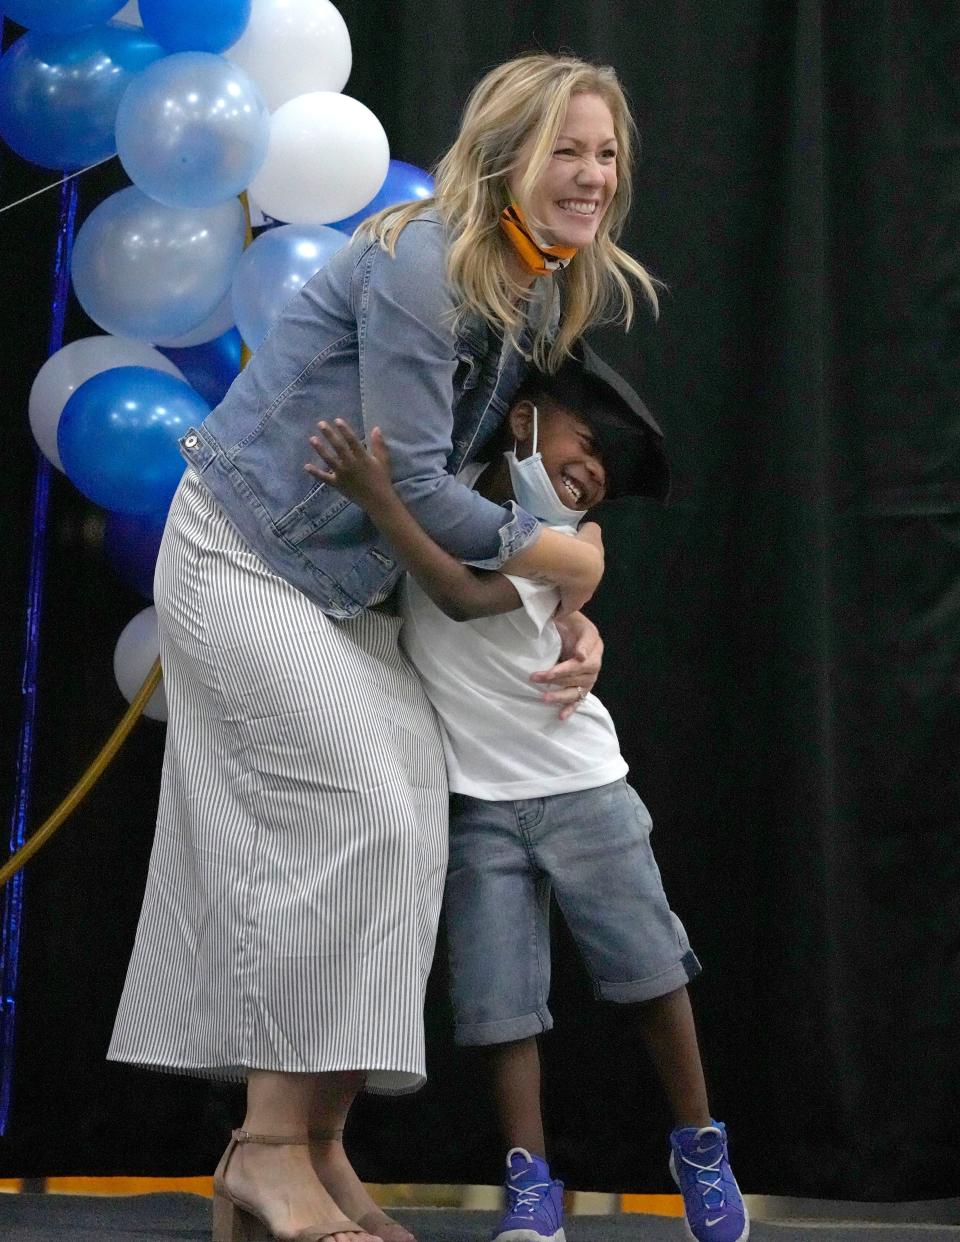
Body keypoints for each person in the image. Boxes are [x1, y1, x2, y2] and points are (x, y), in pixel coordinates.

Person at [108, 51, 660, 1242]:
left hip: (342, 585)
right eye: (567, 148)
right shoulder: (424, 263)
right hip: (243, 554)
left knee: (411, 815)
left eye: (606, 152)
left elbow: (477, 481)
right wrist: (552, 557)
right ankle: (263, 1149)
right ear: (508, 153)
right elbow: (413, 479)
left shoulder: (538, 283)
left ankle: (313, 1144)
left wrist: (563, 597)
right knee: (353, 800)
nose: (591, 174)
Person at [304, 352, 748, 1242]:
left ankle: (699, 1144)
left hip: (582, 786)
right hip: (474, 800)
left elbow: (462, 598)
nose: (590, 477)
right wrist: (392, 493)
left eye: (604, 480)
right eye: (585, 448)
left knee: (650, 970)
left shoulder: (561, 542)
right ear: (523, 423)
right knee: (500, 1005)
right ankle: (529, 1180)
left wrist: (375, 494)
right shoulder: (451, 487)